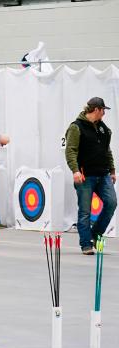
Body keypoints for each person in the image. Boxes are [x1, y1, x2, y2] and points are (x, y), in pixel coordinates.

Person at [65, 96, 116, 255]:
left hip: (103, 175)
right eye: (103, 110)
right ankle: (85, 244)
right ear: (96, 109)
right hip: (85, 177)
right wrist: (75, 170)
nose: (104, 114)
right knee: (85, 212)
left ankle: (95, 234)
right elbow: (70, 151)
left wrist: (112, 170)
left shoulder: (104, 129)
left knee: (112, 203)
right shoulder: (76, 127)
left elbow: (107, 151)